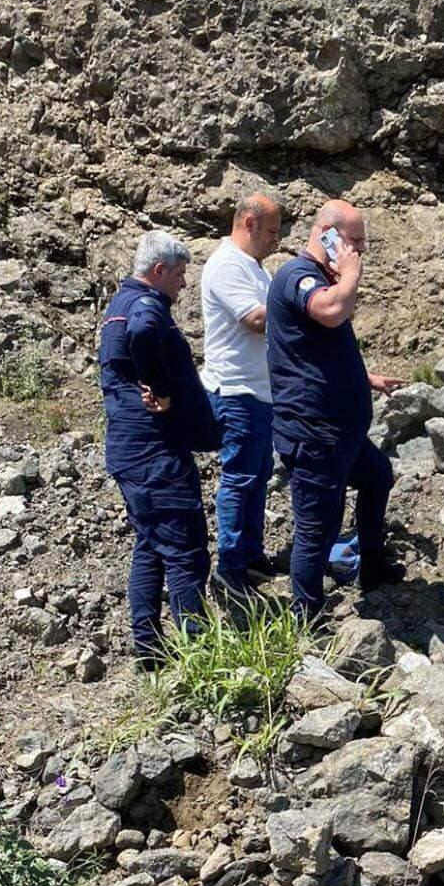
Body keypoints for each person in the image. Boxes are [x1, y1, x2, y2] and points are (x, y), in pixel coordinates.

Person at [265, 199, 403, 620]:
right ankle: (306, 616)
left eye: (363, 243)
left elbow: (314, 356)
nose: (360, 250)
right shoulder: (298, 276)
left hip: (340, 431)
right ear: (327, 233)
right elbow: (330, 311)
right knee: (317, 527)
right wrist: (351, 274)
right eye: (354, 240)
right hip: (314, 433)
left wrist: (365, 380)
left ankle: (372, 568)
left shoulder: (322, 277)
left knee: (378, 476)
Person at [99, 230, 219, 668]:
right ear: (159, 271)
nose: (184, 285)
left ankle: (149, 652)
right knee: (186, 551)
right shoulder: (145, 307)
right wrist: (162, 390)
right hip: (155, 453)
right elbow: (146, 334)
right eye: (180, 275)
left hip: (133, 452)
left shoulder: (119, 304)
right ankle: (201, 656)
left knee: (151, 547)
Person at [200, 192, 283, 597]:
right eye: (270, 231)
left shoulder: (254, 268)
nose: (275, 240)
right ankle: (229, 567)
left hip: (257, 390)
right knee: (240, 476)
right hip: (236, 390)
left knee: (257, 474)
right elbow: (254, 319)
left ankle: (249, 553)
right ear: (248, 224)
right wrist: (298, 304)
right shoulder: (227, 266)